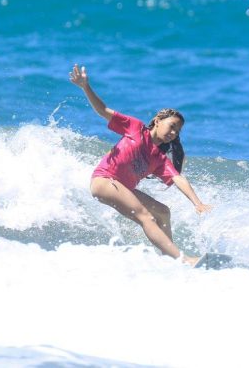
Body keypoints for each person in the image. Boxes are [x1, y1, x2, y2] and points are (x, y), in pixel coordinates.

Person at [69, 64, 212, 266]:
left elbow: (178, 178)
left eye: (177, 131)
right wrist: (85, 86)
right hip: (104, 180)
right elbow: (103, 111)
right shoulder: (135, 128)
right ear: (157, 120)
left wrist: (197, 203)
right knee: (146, 215)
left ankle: (168, 259)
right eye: (172, 126)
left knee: (163, 212)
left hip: (122, 188)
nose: (174, 133)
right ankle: (183, 260)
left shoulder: (159, 158)